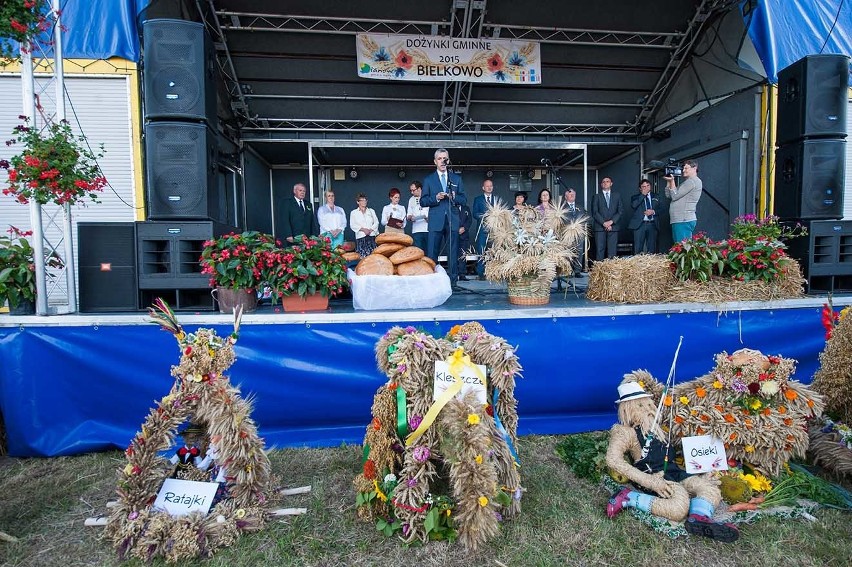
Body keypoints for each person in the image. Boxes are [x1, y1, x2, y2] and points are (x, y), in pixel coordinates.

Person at [605, 376, 739, 542]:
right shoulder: (625, 432)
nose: (648, 409)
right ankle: (628, 497)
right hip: (653, 476)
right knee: (678, 507)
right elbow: (613, 460)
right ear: (627, 409)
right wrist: (650, 482)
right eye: (640, 406)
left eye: (648, 404)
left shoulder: (659, 430)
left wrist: (704, 468)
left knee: (709, 489)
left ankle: (699, 518)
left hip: (674, 471)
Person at [420, 148, 467, 286]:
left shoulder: (456, 179)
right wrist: (436, 198)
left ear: (448, 160)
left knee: (453, 252)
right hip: (435, 220)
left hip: (452, 220)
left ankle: (453, 283)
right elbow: (423, 201)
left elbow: (463, 199)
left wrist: (453, 197)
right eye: (439, 158)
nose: (442, 161)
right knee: (432, 252)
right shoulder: (429, 179)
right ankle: (432, 282)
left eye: (444, 158)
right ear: (435, 161)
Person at [665, 159, 702, 242]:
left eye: (686, 168)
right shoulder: (687, 182)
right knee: (679, 248)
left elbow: (674, 196)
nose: (683, 170)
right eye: (683, 168)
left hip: (683, 219)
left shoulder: (692, 181)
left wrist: (672, 181)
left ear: (694, 168)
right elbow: (669, 195)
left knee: (682, 249)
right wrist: (669, 182)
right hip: (680, 219)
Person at [591, 177, 623, 260]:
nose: (605, 183)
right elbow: (595, 212)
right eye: (603, 182)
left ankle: (611, 272)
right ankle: (599, 271)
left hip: (613, 227)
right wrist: (604, 223)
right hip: (600, 227)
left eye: (607, 181)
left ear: (611, 183)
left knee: (612, 251)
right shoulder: (596, 196)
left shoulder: (617, 195)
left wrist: (611, 222)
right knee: (599, 250)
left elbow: (620, 211)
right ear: (601, 184)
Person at [627, 179, 661, 254]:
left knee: (652, 248)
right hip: (640, 225)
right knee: (638, 248)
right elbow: (634, 205)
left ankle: (651, 264)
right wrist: (643, 195)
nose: (646, 188)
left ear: (650, 187)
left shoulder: (656, 196)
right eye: (643, 186)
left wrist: (653, 212)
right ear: (640, 188)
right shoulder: (635, 197)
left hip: (652, 224)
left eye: (648, 186)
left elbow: (662, 209)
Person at [471, 178, 495, 279]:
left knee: (494, 251)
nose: (489, 188)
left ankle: (493, 273)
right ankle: (481, 274)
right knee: (481, 251)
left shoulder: (496, 199)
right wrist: (485, 216)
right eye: (487, 186)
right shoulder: (478, 199)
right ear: (483, 187)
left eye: (491, 186)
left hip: (494, 230)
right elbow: (475, 214)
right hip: (482, 229)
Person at [565, 188, 587, 276]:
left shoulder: (580, 207)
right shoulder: (562, 207)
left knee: (579, 251)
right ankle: (568, 270)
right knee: (568, 251)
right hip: (567, 233)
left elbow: (585, 218)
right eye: (570, 194)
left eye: (573, 194)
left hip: (578, 232)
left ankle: (577, 270)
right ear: (566, 197)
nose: (572, 195)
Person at [349, 193, 379, 257]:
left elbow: (376, 222)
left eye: (365, 200)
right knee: (362, 258)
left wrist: (370, 230)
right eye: (362, 200)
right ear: (358, 202)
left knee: (373, 256)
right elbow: (353, 225)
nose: (364, 202)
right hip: (361, 238)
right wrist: (363, 229)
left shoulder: (371, 211)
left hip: (372, 237)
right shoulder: (354, 212)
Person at [406, 181, 429, 251]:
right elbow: (408, 214)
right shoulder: (411, 199)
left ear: (419, 189)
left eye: (413, 190)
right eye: (411, 190)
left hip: (427, 229)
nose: (412, 192)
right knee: (418, 252)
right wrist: (410, 217)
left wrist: (427, 218)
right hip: (416, 230)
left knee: (429, 251)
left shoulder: (428, 197)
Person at [456, 202, 473, 281]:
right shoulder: (451, 206)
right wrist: (456, 229)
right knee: (453, 255)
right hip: (453, 235)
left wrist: (464, 228)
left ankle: (462, 274)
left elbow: (469, 220)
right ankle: (454, 274)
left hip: (464, 235)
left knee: (463, 255)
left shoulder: (466, 208)